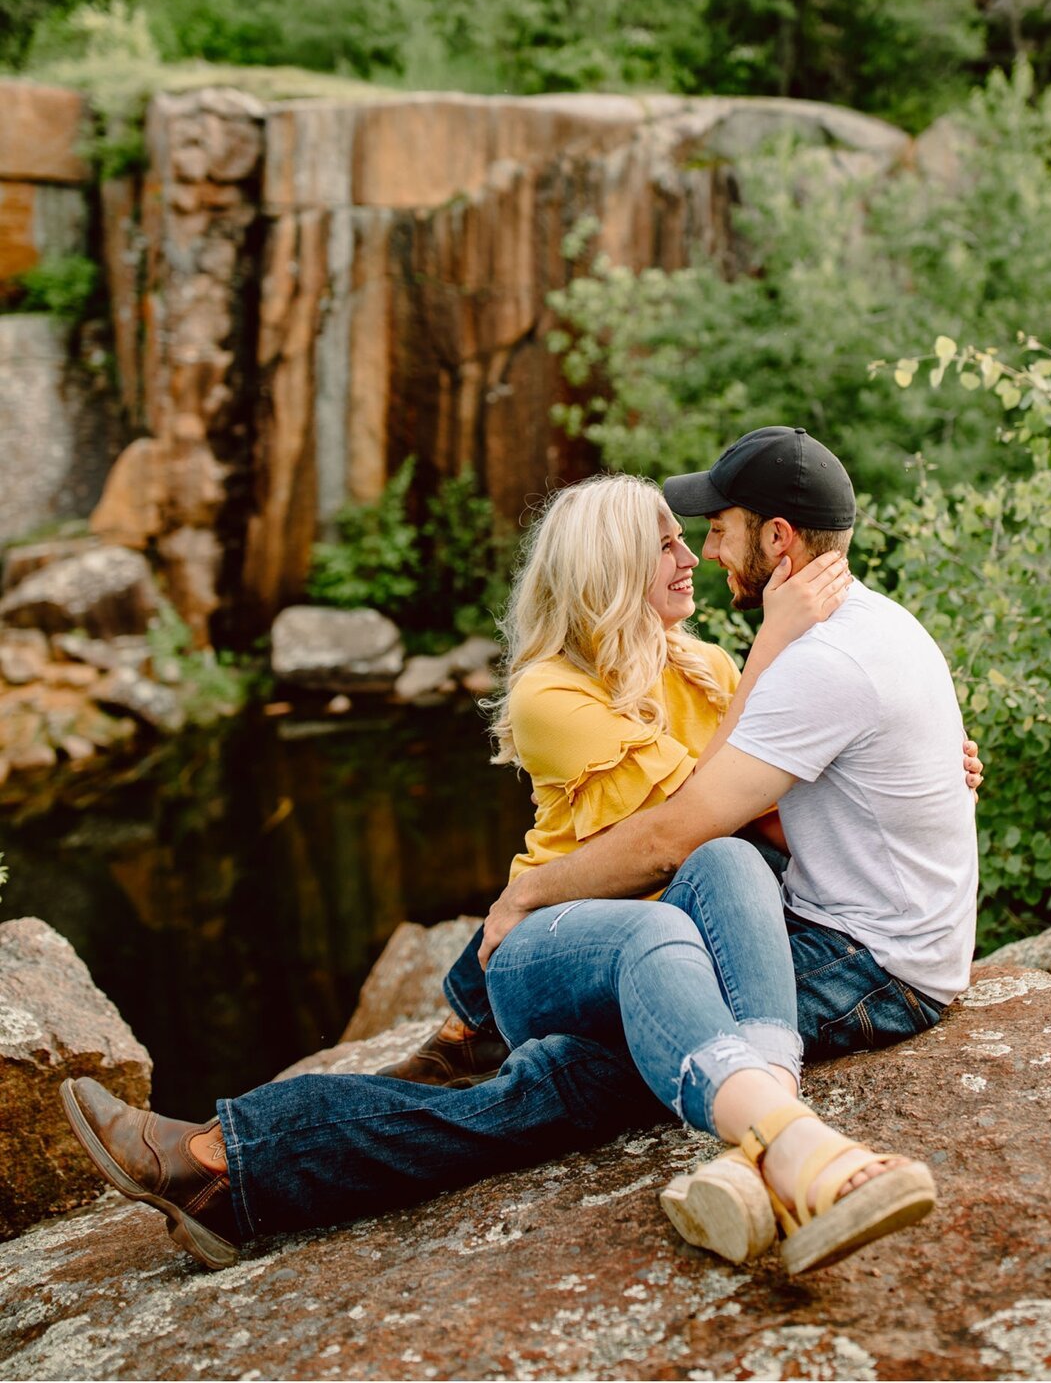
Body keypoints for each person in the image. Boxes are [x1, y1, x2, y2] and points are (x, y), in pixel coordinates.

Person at [60, 429, 980, 1274]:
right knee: (643, 953)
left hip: (815, 949)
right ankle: (772, 1143)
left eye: (715, 530)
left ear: (778, 540)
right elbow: (715, 818)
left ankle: (222, 1164)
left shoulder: (774, 657)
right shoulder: (811, 641)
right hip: (627, 933)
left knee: (552, 1084)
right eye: (673, 540)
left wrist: (917, 765)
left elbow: (686, 829)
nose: (703, 551)